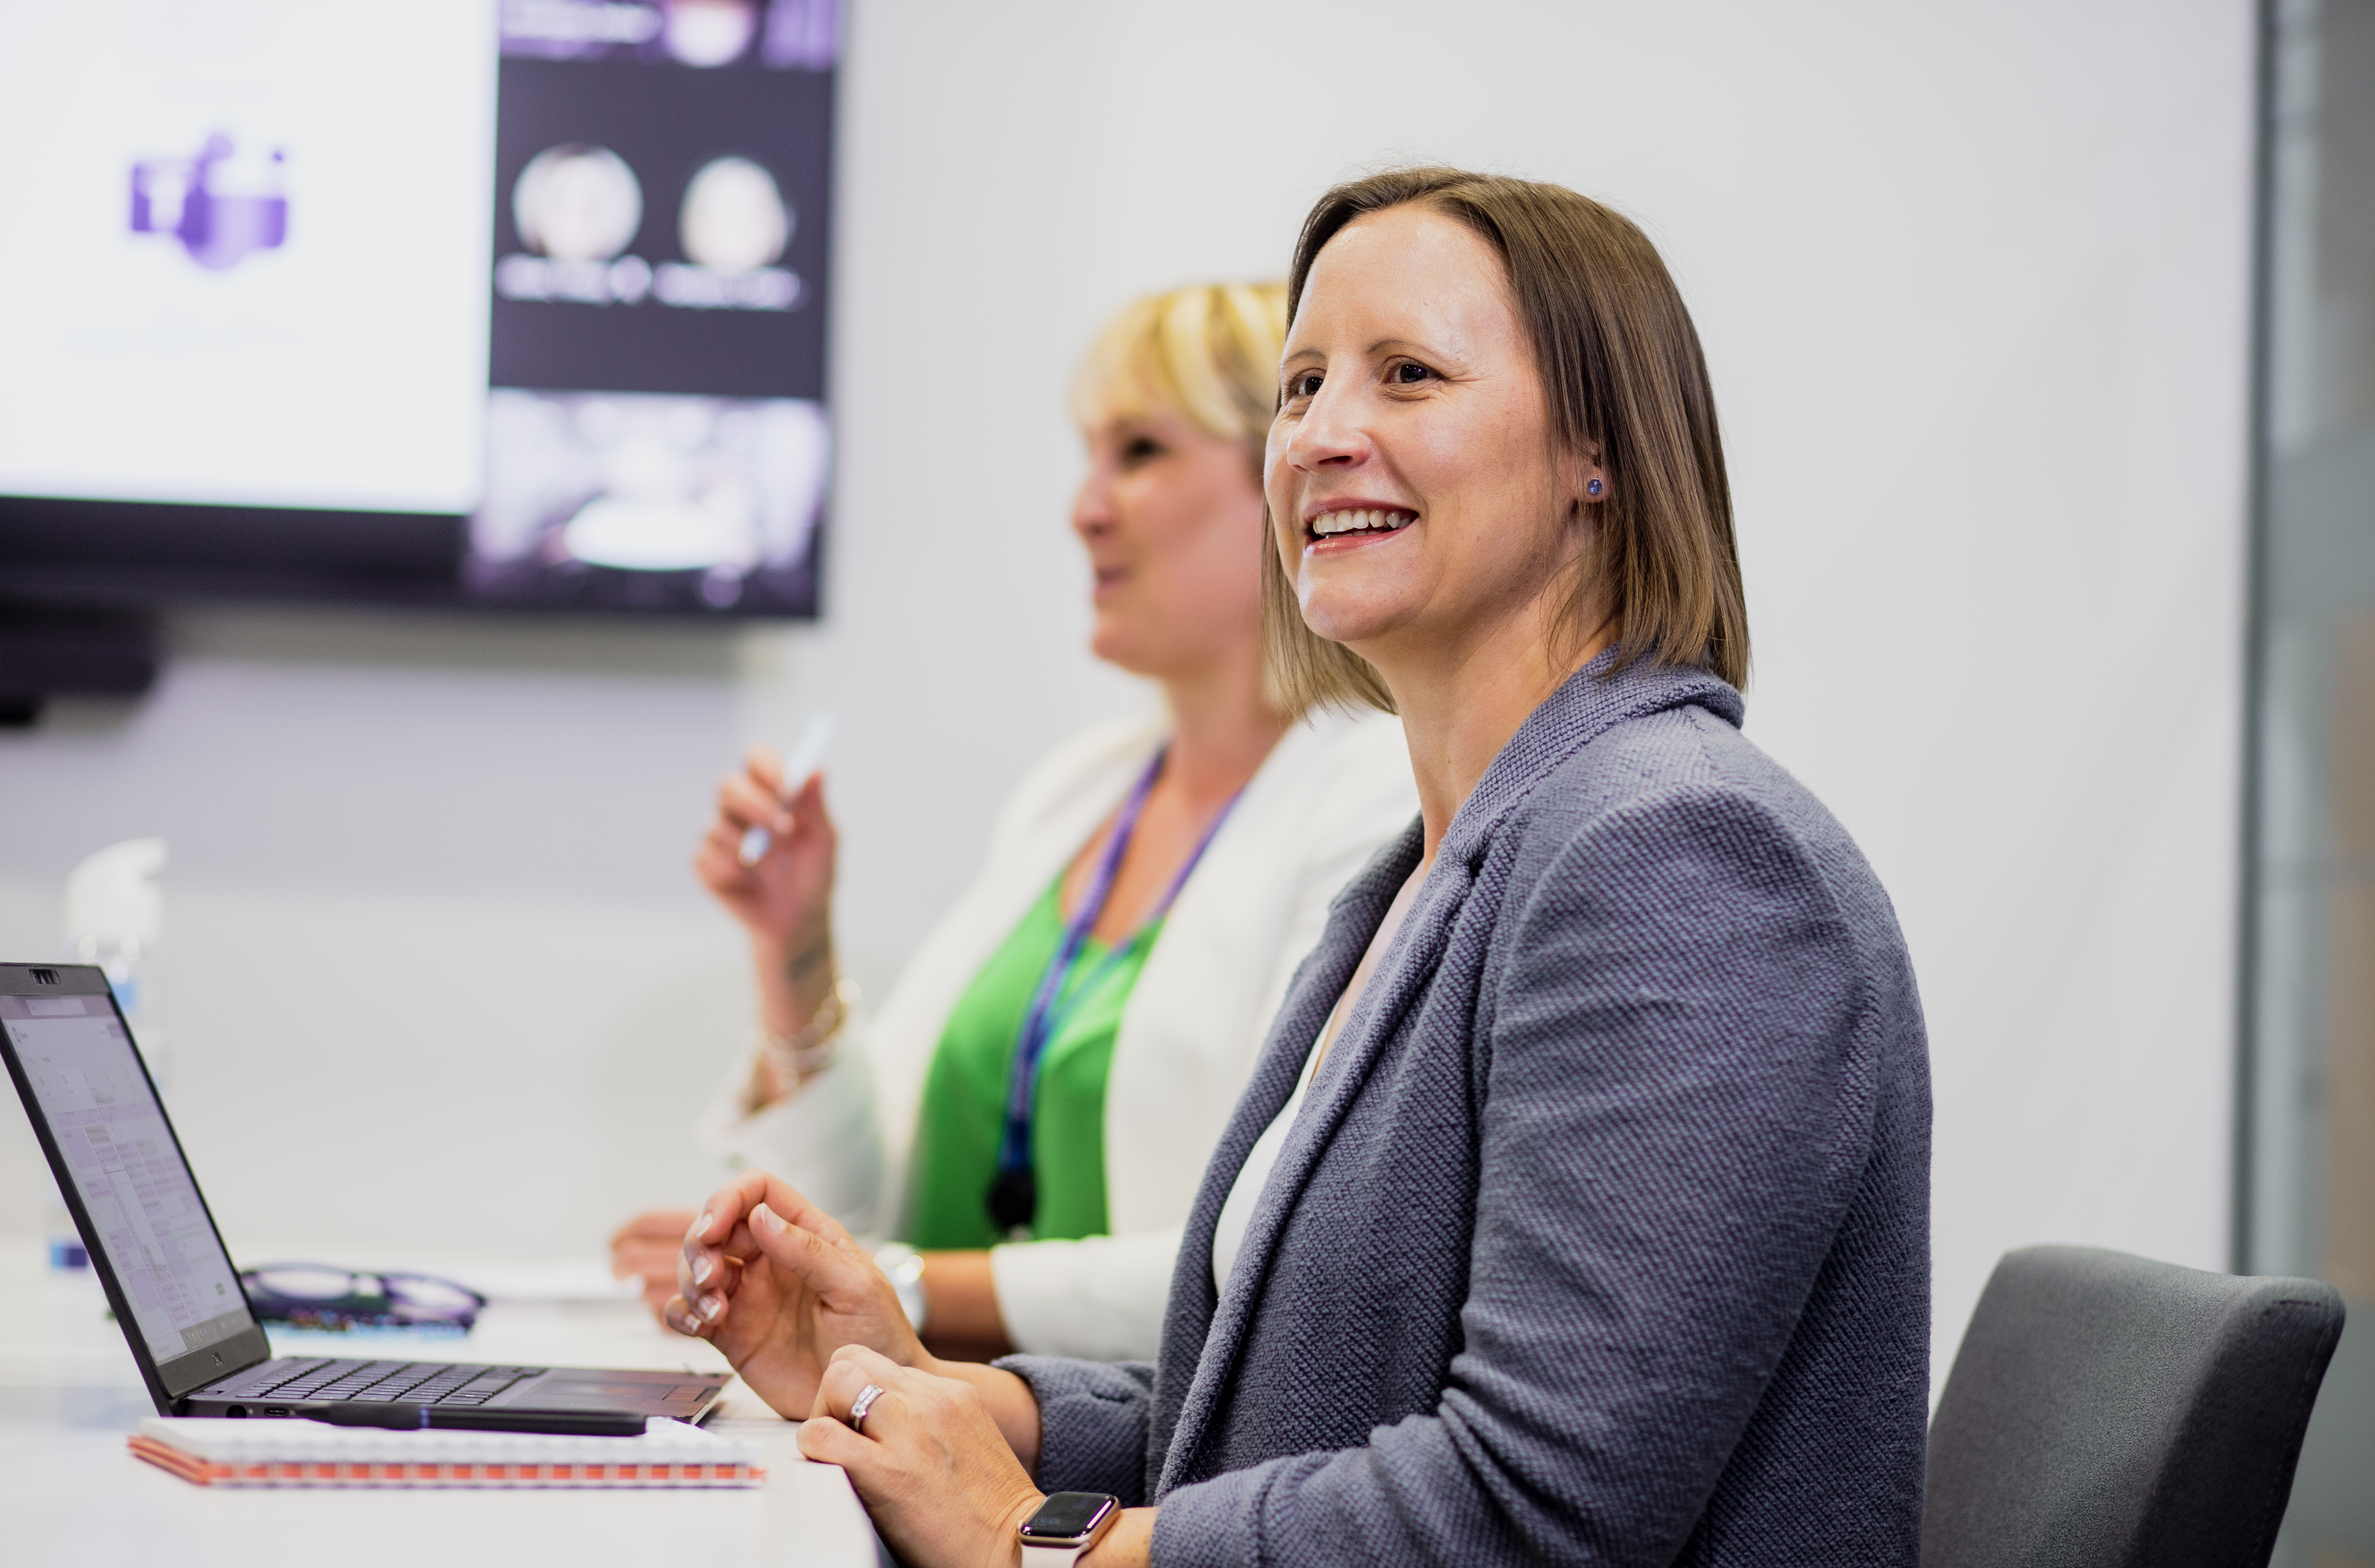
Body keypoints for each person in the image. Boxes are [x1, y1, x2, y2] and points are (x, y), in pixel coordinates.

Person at [662, 168, 1932, 1565]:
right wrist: (948, 1398)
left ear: (1600, 452)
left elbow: (1532, 1513)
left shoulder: (1677, 857)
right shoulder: (1429, 869)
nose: (1324, 435)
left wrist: (1046, 1546)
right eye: (1303, 387)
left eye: (1408, 376)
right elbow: (1285, 1415)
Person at [612, 282, 1417, 1363]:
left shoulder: (1382, 798)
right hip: (920, 1435)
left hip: (1120, 1476)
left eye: (1139, 452)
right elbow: (861, 1198)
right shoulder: (1082, 790)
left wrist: (890, 1285)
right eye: (1089, 457)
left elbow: (1258, 1257)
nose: (1085, 508)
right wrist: (795, 949)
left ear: (1286, 472)